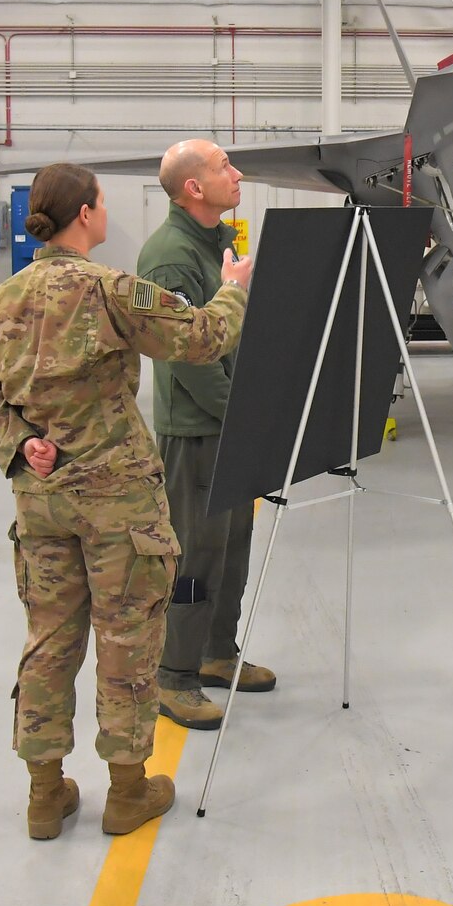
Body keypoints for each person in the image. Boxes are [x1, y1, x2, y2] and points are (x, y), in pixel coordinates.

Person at [0, 162, 252, 840]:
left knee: (48, 640)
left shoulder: (2, 299)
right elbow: (201, 338)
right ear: (89, 213)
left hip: (41, 497)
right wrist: (234, 290)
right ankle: (127, 789)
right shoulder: (110, 290)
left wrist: (19, 444)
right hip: (117, 499)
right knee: (126, 637)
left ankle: (44, 792)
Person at [138, 139, 274, 733]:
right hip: (196, 429)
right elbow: (188, 361)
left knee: (234, 544)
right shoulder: (170, 257)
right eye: (224, 167)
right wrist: (239, 414)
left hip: (229, 422)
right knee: (193, 554)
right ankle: (175, 675)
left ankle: (218, 651)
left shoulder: (219, 241)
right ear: (194, 187)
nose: (237, 173)